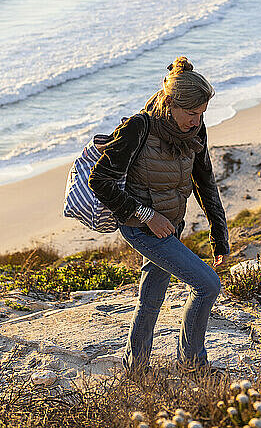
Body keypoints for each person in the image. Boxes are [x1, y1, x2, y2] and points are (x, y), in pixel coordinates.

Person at [88, 55, 230, 376]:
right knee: (207, 285)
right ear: (171, 104)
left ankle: (134, 368)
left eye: (201, 114)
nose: (196, 121)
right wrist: (146, 214)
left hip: (170, 225)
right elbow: (100, 180)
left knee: (150, 300)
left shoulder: (195, 130)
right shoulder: (138, 128)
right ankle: (192, 364)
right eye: (191, 113)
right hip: (140, 226)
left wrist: (219, 237)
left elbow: (204, 180)